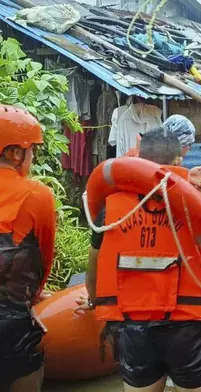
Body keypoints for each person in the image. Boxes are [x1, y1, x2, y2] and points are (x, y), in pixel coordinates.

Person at [75, 128, 201, 392]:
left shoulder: (110, 207)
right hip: (186, 325)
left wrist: (93, 299)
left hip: (132, 329)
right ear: (178, 161)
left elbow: (94, 266)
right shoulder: (196, 206)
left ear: (139, 159)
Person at [0, 106, 55, 392]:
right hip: (12, 326)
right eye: (31, 150)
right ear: (15, 154)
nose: (32, 157)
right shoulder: (37, 195)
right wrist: (31, 297)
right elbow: (44, 258)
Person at [124, 114, 196, 158]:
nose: (189, 149)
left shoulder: (147, 155)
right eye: (189, 144)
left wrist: (189, 176)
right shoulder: (151, 163)